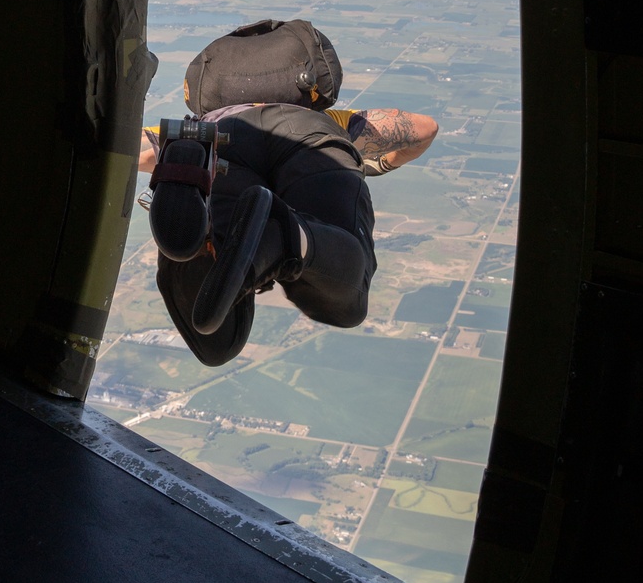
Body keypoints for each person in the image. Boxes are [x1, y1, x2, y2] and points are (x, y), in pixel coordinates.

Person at [137, 19, 437, 366]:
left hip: (216, 141)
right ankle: (288, 237)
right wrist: (368, 164)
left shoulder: (205, 126)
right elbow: (422, 129)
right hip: (305, 135)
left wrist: (175, 151)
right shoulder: (338, 123)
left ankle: (198, 220)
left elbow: (133, 150)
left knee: (215, 343)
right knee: (347, 300)